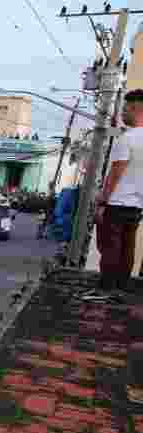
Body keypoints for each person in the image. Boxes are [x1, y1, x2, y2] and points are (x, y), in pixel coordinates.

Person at [96, 88, 143, 290]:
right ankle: (122, 285)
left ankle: (107, 286)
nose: (122, 113)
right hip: (137, 205)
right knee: (128, 246)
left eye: (125, 109)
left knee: (110, 246)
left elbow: (116, 172)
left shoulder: (126, 139)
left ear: (134, 109)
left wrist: (102, 200)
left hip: (117, 203)